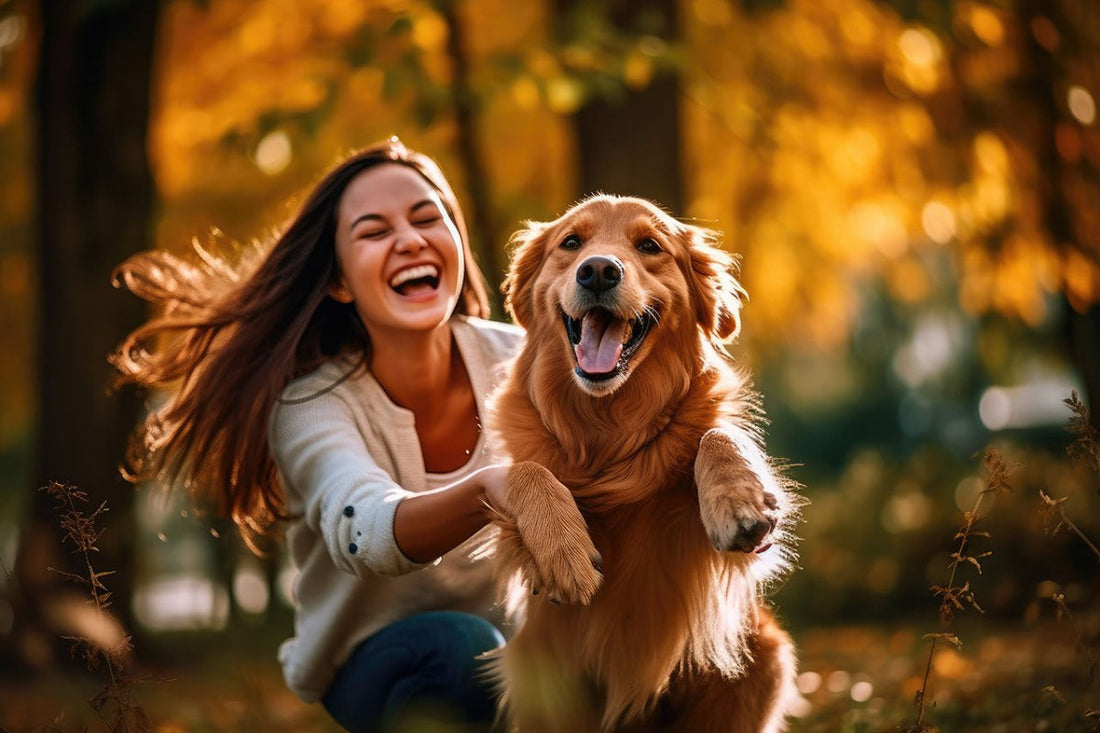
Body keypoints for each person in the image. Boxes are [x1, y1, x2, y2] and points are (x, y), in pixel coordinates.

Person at [113, 137, 524, 731]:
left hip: (530, 648)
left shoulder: (527, 361)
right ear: (339, 283)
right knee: (464, 653)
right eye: (374, 231)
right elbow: (365, 534)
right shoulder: (310, 405)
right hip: (375, 661)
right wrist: (497, 489)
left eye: (427, 218)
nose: (409, 239)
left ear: (456, 244)